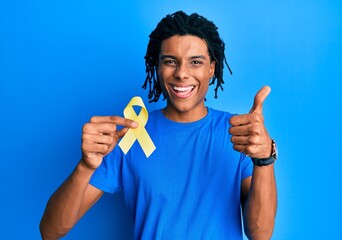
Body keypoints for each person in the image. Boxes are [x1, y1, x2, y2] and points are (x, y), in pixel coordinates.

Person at [40, 11, 277, 240]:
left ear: (211, 69)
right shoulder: (130, 135)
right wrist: (85, 166)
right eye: (170, 61)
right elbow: (51, 231)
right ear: (157, 66)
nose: (182, 74)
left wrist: (264, 158)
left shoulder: (240, 134)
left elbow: (260, 233)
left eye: (196, 62)